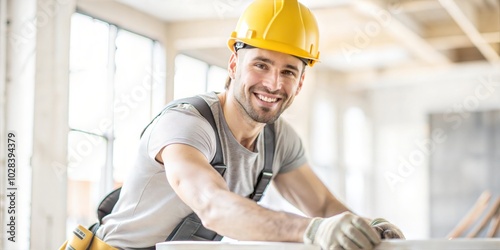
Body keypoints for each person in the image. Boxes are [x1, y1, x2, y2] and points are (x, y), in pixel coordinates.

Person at [95, 0, 405, 249]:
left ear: (300, 83)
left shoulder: (279, 140)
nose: (273, 83)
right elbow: (213, 206)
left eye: (288, 72)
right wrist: (313, 231)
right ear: (233, 64)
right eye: (261, 65)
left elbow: (323, 206)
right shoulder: (187, 125)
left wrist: (368, 229)